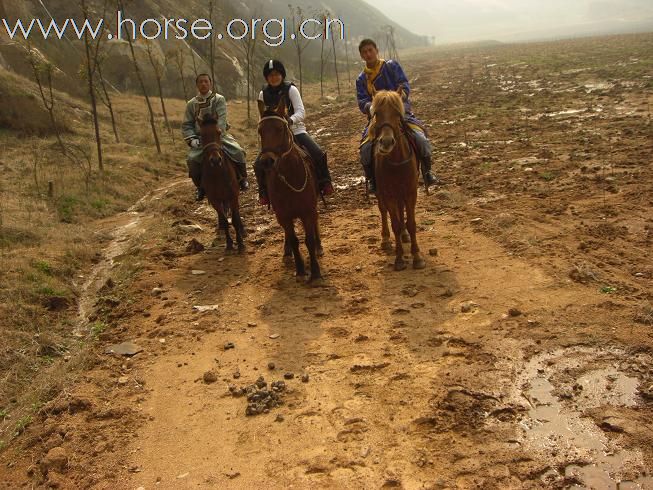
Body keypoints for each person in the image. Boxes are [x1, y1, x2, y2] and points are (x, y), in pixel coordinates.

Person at [356, 39, 437, 193]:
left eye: (370, 50)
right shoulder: (361, 79)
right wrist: (372, 107)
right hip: (378, 118)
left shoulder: (391, 66)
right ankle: (373, 180)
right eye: (364, 52)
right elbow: (362, 101)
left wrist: (396, 101)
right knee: (365, 148)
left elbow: (404, 85)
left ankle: (427, 172)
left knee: (421, 140)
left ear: (376, 50)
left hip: (400, 112)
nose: (368, 54)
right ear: (361, 56)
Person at [254, 59, 334, 206]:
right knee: (257, 164)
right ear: (266, 77)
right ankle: (263, 191)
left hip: (296, 131)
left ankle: (325, 182)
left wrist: (289, 121)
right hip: (273, 136)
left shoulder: (291, 89)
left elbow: (301, 112)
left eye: (277, 74)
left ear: (282, 75)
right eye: (270, 75)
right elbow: (262, 117)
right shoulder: (262, 94)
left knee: (317, 153)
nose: (274, 77)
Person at [182, 73, 249, 201]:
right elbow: (187, 124)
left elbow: (222, 120)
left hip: (219, 136)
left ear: (210, 83)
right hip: (201, 140)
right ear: (197, 85)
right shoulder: (191, 104)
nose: (203, 84)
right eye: (200, 82)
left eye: (206, 81)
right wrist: (192, 139)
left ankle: (242, 178)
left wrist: (217, 134)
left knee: (238, 151)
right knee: (192, 160)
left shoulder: (219, 99)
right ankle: (200, 187)